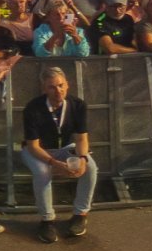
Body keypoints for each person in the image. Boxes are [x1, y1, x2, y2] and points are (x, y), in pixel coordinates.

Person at [19, 64, 98, 241]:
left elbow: (81, 139)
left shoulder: (78, 105)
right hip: (38, 150)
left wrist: (82, 159)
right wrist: (54, 163)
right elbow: (33, 146)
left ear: (67, 85)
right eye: (52, 87)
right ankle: (47, 220)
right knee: (42, 172)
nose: (58, 91)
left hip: (65, 147)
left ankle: (80, 214)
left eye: (61, 85)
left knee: (91, 167)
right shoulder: (33, 108)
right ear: (44, 89)